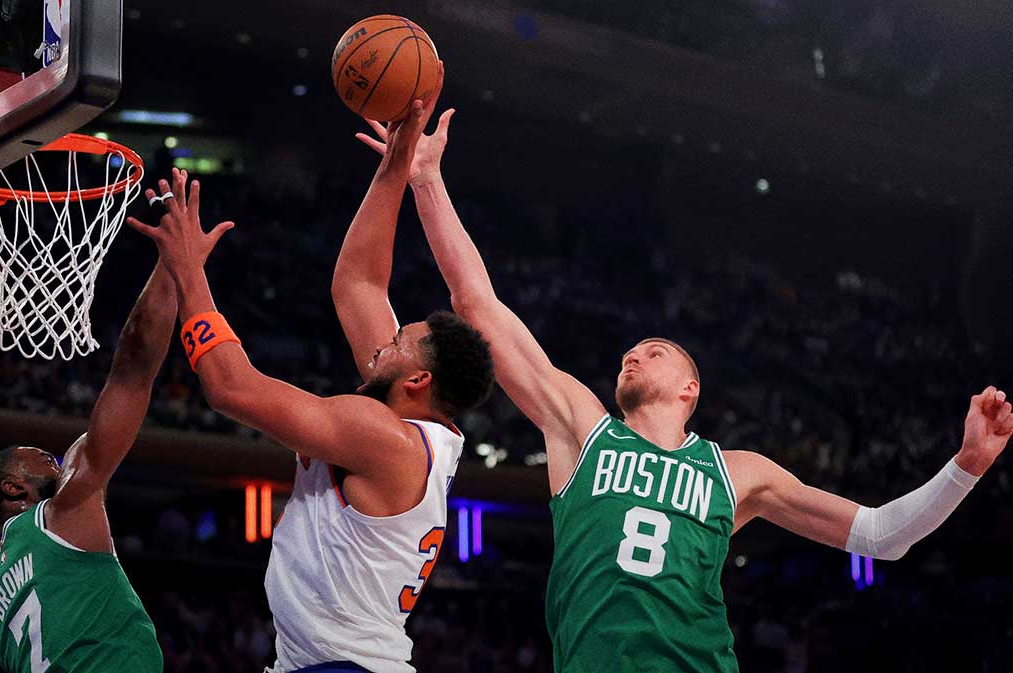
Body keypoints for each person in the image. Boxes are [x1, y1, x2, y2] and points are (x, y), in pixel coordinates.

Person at [355, 107, 1013, 672]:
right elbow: (477, 303)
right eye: (631, 351)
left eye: (655, 351)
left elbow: (881, 534)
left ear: (689, 388)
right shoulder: (582, 429)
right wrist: (428, 181)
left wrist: (966, 466)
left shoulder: (738, 473)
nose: (633, 353)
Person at [128, 65, 495, 673]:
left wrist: (189, 272)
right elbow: (359, 284)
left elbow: (230, 388)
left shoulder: (386, 438)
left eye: (397, 341)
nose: (383, 343)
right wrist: (396, 164)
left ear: (419, 381)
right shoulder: (404, 421)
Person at [0, 171, 194, 673]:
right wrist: (174, 264)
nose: (55, 459)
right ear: (13, 486)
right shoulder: (64, 509)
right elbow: (132, 370)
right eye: (41, 458)